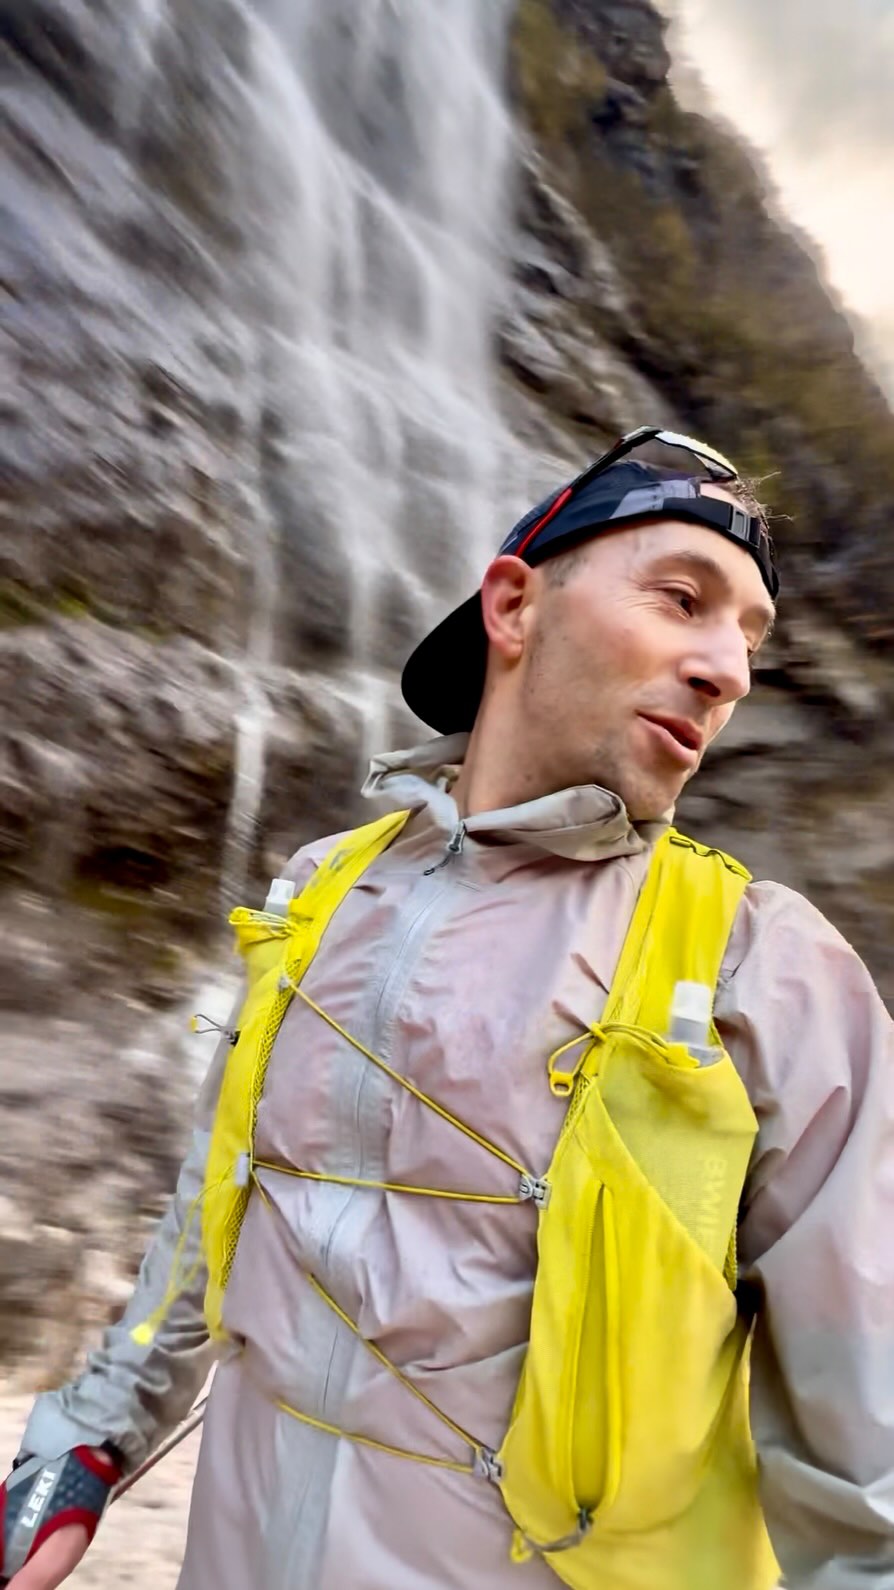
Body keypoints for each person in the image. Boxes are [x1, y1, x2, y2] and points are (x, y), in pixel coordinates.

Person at [3, 427, 892, 1590]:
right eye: (684, 599)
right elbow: (217, 1202)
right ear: (513, 606)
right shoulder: (322, 889)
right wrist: (87, 1439)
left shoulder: (766, 966)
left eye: (750, 639)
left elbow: (870, 1463)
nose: (728, 669)